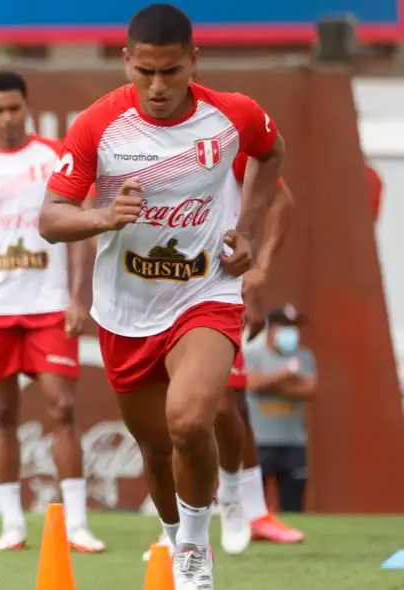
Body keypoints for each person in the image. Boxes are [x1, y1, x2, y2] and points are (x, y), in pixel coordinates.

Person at [38, 4, 284, 588]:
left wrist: (245, 229)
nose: (156, 86)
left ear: (193, 61)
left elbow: (271, 155)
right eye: (143, 72)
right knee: (155, 449)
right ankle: (175, 538)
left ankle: (197, 549)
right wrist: (102, 218)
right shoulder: (99, 125)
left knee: (188, 418)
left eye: (170, 72)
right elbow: (50, 218)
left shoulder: (234, 115)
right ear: (126, 62)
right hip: (126, 310)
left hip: (206, 294)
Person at [0, 71, 105, 553]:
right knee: (2, 411)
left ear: (27, 106)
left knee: (62, 405)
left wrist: (80, 297)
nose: (7, 117)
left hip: (48, 304)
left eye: (14, 108)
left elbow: (80, 226)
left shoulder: (56, 158)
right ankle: (12, 522)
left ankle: (76, 522)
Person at [141, 152, 299, 561]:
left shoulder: (224, 142)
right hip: (152, 300)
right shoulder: (130, 144)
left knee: (225, 405)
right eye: (150, 80)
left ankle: (233, 498)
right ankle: (177, 530)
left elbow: (280, 200)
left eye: (173, 81)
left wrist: (259, 273)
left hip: (212, 297)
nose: (160, 86)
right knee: (168, 419)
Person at [245, 304, 316, 513]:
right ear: (271, 328)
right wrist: (286, 375)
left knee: (294, 501)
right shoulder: (253, 354)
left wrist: (271, 385)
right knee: (256, 502)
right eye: (285, 326)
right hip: (259, 441)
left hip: (293, 441)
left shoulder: (304, 356)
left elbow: (309, 389)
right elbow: (253, 384)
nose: (290, 332)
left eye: (293, 327)